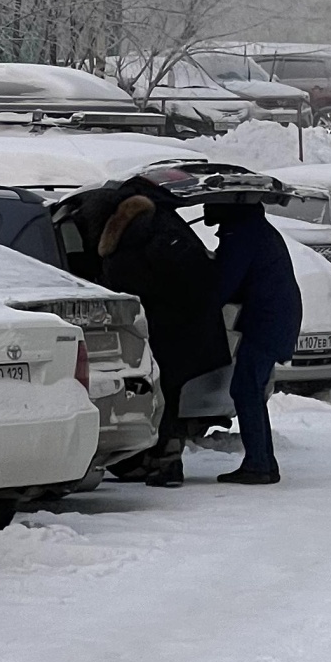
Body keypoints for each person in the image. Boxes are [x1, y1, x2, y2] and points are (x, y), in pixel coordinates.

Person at [95, 181, 231, 487]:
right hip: (182, 328)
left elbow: (130, 284)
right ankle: (159, 460)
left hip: (164, 329)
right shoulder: (164, 230)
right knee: (165, 394)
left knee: (161, 395)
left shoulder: (141, 238)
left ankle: (164, 464)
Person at [206, 196, 303, 486]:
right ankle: (263, 462)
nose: (205, 209)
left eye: (209, 203)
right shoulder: (253, 228)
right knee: (251, 390)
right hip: (275, 318)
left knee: (246, 389)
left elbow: (225, 283)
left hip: (267, 320)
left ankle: (259, 464)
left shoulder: (241, 235)